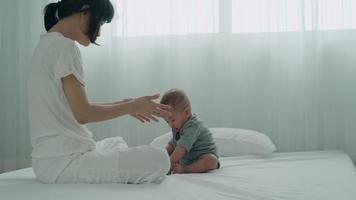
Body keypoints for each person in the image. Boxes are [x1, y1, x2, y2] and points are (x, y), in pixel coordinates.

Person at [28, 0, 172, 184]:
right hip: (64, 162)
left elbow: (74, 108)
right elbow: (83, 114)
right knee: (160, 159)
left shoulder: (48, 43)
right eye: (101, 23)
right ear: (84, 12)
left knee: (116, 142)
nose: (99, 32)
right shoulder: (65, 47)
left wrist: (126, 103)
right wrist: (131, 106)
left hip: (52, 160)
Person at [160, 89, 219, 174]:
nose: (170, 125)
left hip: (202, 157)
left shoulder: (193, 126)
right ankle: (183, 165)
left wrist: (168, 164)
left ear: (187, 112)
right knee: (171, 153)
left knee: (211, 160)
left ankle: (185, 169)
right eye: (167, 121)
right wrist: (162, 155)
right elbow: (173, 144)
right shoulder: (177, 126)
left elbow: (181, 148)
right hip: (187, 159)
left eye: (172, 120)